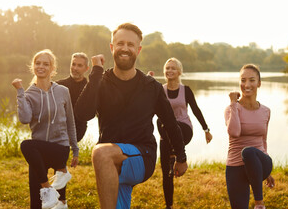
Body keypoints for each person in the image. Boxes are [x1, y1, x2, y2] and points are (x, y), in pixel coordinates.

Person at [75, 23, 188, 209]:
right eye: (120, 44)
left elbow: (170, 123)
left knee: (100, 152)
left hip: (142, 156)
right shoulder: (101, 82)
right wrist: (95, 73)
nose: (125, 48)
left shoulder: (151, 87)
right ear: (112, 47)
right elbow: (82, 114)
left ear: (138, 49)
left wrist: (181, 157)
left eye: (130, 44)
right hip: (112, 160)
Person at [12, 49, 79, 209]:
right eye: (38, 63)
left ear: (52, 68)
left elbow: (70, 122)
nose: (41, 66)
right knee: (37, 202)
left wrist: (75, 149)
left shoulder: (63, 91)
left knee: (60, 200)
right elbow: (25, 119)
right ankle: (47, 189)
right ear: (33, 66)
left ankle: (52, 187)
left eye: (45, 64)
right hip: (38, 151)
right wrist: (20, 92)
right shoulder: (29, 94)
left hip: (59, 148)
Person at [157, 58, 213, 209]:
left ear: (179, 72)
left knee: (171, 125)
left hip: (184, 130)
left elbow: (195, 110)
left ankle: (179, 156)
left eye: (173, 68)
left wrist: (206, 130)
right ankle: (169, 205)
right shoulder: (159, 90)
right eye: (167, 68)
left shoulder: (186, 90)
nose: (169, 71)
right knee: (167, 173)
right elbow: (149, 109)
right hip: (166, 135)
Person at [225, 64, 275, 209]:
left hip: (259, 162)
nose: (247, 84)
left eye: (252, 80)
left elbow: (263, 141)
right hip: (236, 165)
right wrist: (234, 103)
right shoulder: (231, 109)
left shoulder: (266, 111)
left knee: (249, 151)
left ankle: (259, 204)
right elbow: (234, 132)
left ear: (259, 83)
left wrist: (265, 171)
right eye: (243, 80)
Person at [57, 52, 89, 142]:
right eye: (73, 64)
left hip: (78, 129)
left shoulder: (90, 88)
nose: (75, 68)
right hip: (57, 126)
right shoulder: (59, 85)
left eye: (79, 65)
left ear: (86, 68)